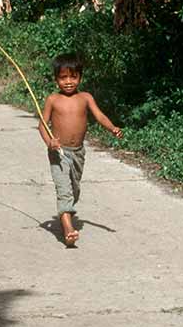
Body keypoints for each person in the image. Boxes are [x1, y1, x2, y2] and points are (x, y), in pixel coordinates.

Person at [38, 53, 123, 247]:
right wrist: (49, 141)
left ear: (80, 78)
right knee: (64, 190)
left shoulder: (85, 98)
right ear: (56, 79)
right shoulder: (53, 99)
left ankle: (66, 216)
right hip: (58, 153)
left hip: (78, 152)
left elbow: (99, 116)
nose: (68, 82)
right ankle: (68, 230)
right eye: (63, 77)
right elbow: (42, 125)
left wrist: (112, 128)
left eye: (73, 77)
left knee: (74, 190)